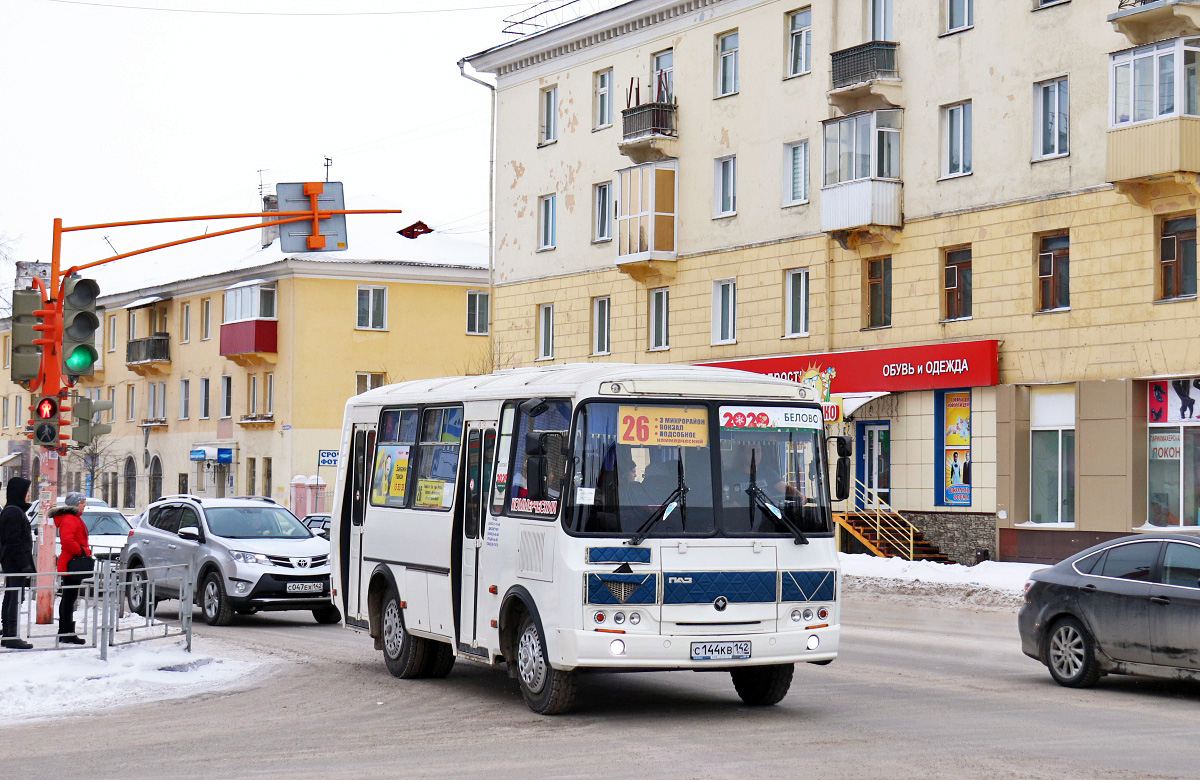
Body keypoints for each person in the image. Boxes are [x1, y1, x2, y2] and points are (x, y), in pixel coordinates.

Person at [51, 492, 91, 645]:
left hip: (71, 562)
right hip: (71, 563)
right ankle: (66, 632)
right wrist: (83, 551)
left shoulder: (73, 518)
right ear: (74, 504)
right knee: (68, 598)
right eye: (81, 502)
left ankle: (66, 631)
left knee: (69, 598)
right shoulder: (70, 519)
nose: (84, 505)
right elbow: (67, 541)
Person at [0, 478, 35, 649]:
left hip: (12, 561)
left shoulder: (12, 510)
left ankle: (8, 632)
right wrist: (23, 564)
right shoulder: (13, 512)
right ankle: (10, 634)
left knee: (11, 595)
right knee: (14, 597)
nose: (29, 494)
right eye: (26, 491)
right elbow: (13, 541)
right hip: (14, 562)